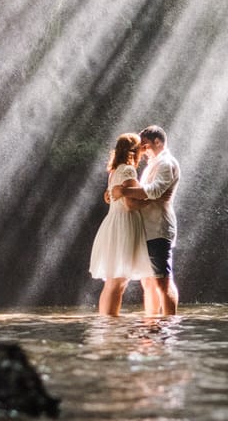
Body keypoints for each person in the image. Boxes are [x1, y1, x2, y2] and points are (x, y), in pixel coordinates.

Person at [117, 125, 180, 316]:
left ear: (158, 142)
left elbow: (154, 191)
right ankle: (151, 321)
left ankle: (169, 323)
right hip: (146, 228)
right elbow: (147, 194)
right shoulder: (153, 163)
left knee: (162, 280)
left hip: (159, 228)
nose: (142, 150)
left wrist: (123, 191)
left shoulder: (166, 163)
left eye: (145, 145)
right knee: (147, 281)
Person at [88, 133, 154, 315]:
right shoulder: (128, 170)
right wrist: (152, 200)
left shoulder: (114, 171)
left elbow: (113, 197)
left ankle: (106, 322)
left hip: (113, 223)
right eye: (140, 148)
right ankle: (111, 322)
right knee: (119, 280)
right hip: (124, 224)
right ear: (133, 151)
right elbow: (131, 203)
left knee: (113, 280)